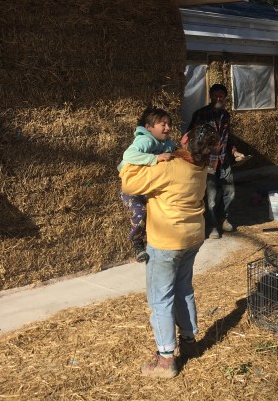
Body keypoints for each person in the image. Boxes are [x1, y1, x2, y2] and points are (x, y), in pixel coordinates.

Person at [120, 123, 219, 379]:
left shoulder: (169, 166)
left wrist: (137, 157)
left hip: (166, 241)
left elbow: (130, 184)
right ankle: (188, 340)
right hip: (192, 237)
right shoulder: (201, 166)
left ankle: (165, 359)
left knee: (160, 298)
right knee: (184, 288)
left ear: (185, 138)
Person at [117, 107, 176, 263]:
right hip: (132, 189)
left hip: (149, 186)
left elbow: (176, 154)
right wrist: (155, 158)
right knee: (141, 212)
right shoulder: (146, 140)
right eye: (163, 124)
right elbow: (129, 155)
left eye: (169, 124)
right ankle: (137, 242)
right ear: (149, 127)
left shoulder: (168, 142)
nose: (168, 128)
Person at [187, 84, 244, 238]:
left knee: (230, 193)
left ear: (225, 98)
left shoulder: (226, 115)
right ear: (210, 96)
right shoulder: (200, 115)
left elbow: (228, 138)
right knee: (210, 198)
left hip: (224, 160)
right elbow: (192, 138)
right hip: (208, 161)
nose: (218, 98)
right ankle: (212, 226)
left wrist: (234, 151)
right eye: (215, 95)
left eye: (221, 96)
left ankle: (223, 218)